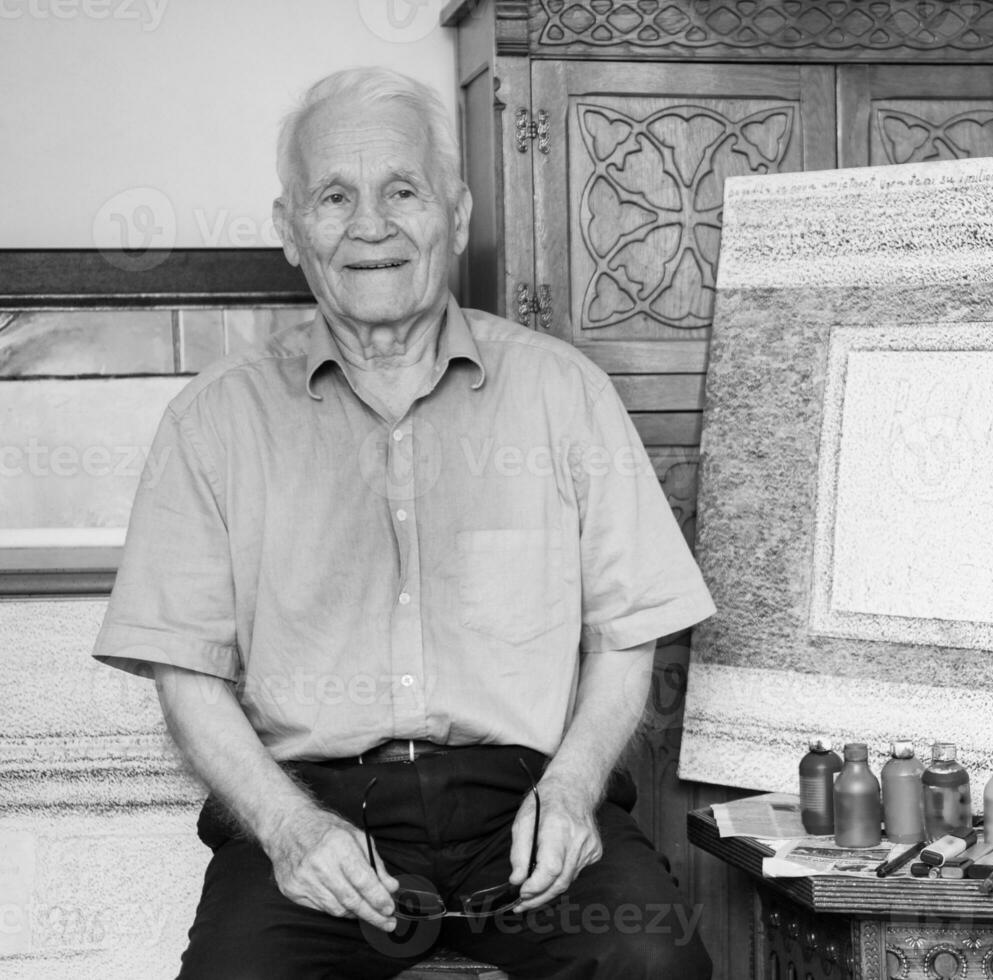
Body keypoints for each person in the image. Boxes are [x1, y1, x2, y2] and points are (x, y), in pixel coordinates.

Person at [91, 66, 716, 980]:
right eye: (334, 196)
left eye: (402, 190)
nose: (371, 225)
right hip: (318, 804)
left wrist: (575, 791)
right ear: (291, 229)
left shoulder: (560, 391)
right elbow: (184, 673)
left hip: (527, 798)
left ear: (454, 216)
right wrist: (288, 826)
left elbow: (629, 635)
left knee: (652, 961)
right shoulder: (213, 422)